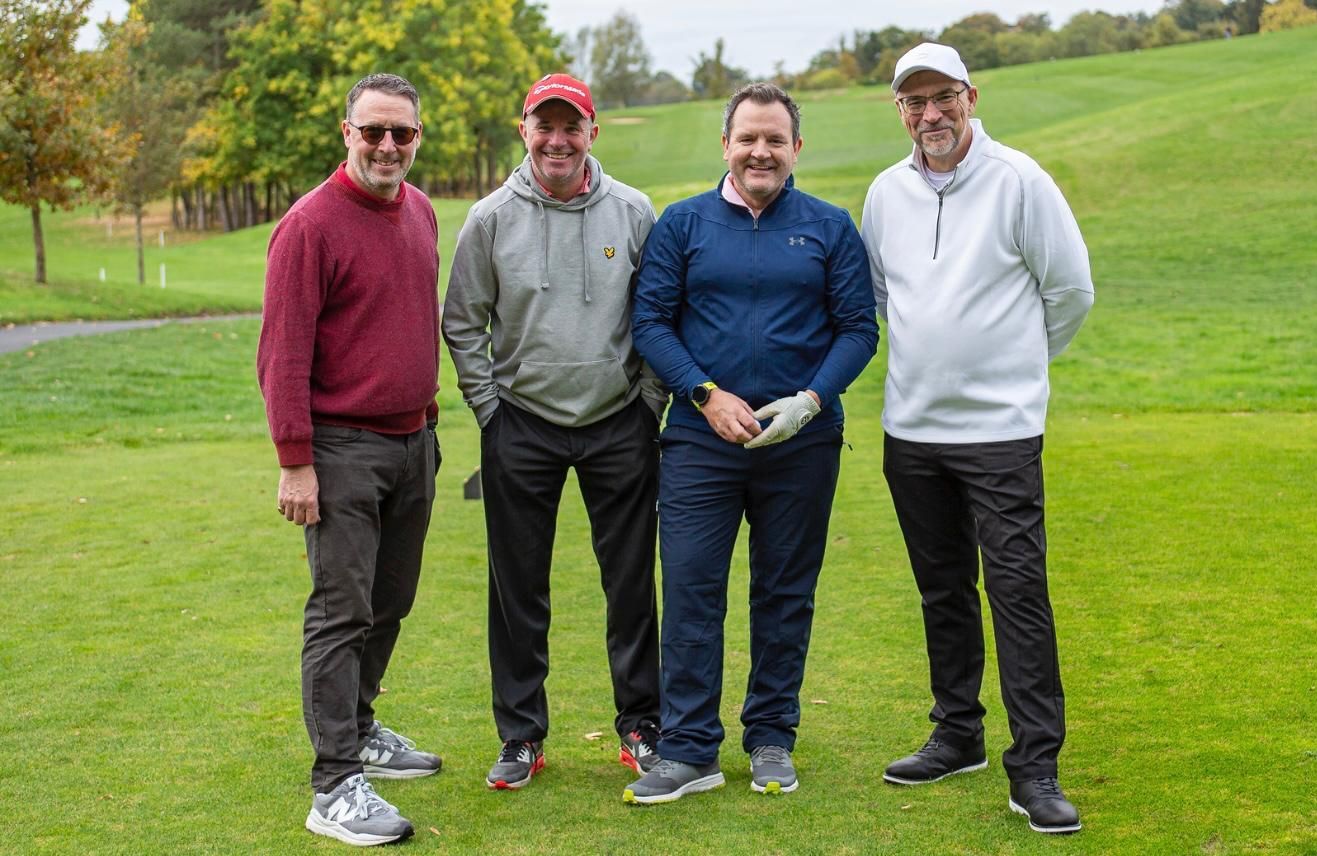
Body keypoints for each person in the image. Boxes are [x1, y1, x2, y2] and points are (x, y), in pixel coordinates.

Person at [860, 43, 1094, 835]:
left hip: (1000, 433)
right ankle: (957, 732)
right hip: (911, 429)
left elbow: (1070, 292)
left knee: (1018, 595)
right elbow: (885, 295)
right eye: (913, 101)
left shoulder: (1021, 181)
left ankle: (1036, 765)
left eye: (942, 97)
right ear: (899, 110)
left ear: (970, 95)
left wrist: (1014, 370)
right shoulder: (885, 193)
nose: (930, 115)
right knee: (942, 590)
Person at [623, 83, 878, 804]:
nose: (760, 151)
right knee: (693, 591)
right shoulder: (683, 224)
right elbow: (652, 323)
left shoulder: (829, 227)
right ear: (725, 146)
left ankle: (771, 737)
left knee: (784, 593)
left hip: (802, 444)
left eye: (774, 140)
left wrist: (810, 399)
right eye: (747, 139)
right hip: (700, 444)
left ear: (796, 149)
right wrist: (704, 394)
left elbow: (859, 328)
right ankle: (688, 750)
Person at [442, 73, 666, 790]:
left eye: (572, 126)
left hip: (617, 422)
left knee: (631, 583)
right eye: (546, 125)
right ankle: (520, 737)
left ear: (592, 132)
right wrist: (490, 411)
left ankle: (640, 726)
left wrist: (648, 405)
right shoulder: (490, 217)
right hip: (522, 425)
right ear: (525, 129)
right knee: (518, 591)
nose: (558, 139)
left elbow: (661, 316)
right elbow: (461, 321)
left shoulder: (633, 211)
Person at [257, 73, 442, 847]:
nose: (388, 146)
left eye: (402, 133)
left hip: (413, 442)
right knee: (341, 612)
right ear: (347, 133)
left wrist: (427, 428)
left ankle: (361, 728)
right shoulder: (310, 225)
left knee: (389, 601)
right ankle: (333, 782)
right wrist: (295, 460)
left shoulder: (423, 211)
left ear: (417, 138)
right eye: (374, 132)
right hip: (338, 450)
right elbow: (282, 352)